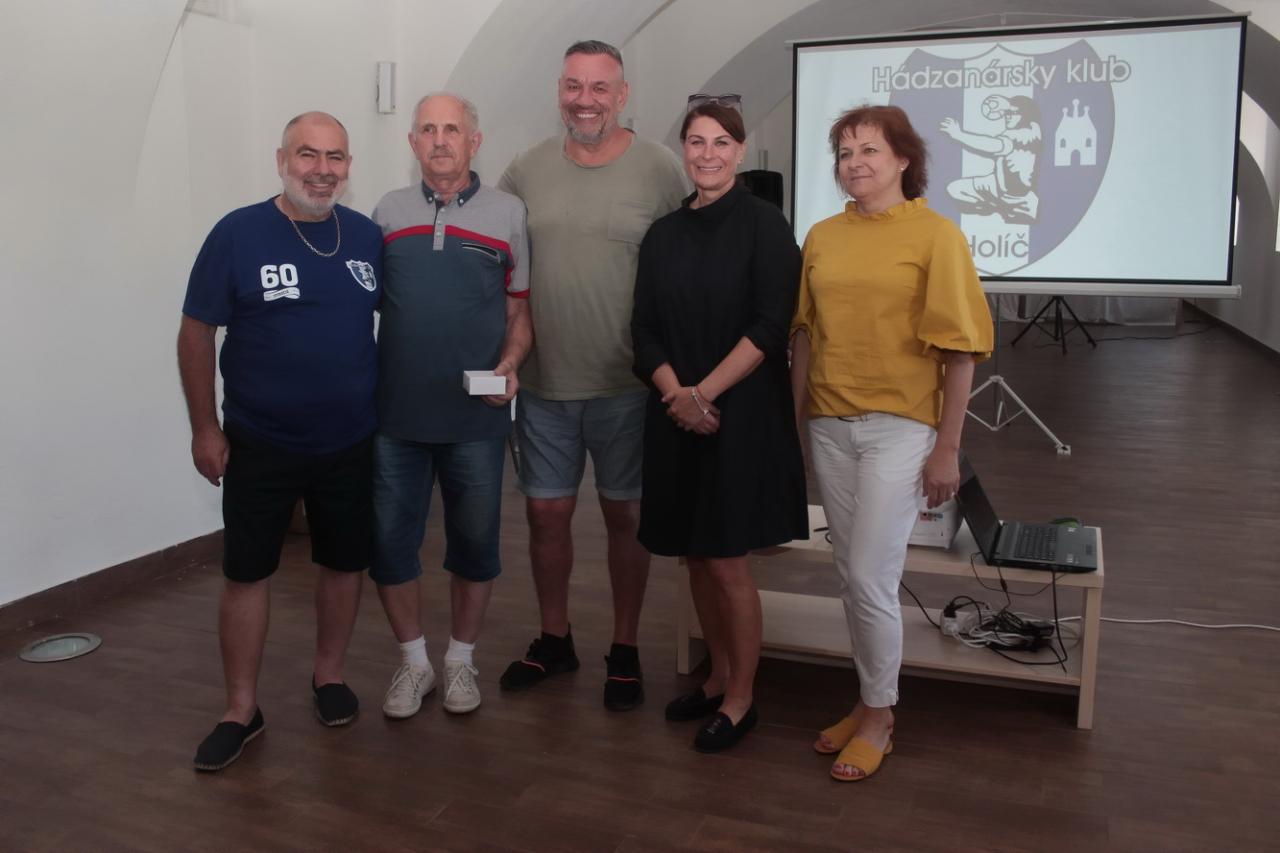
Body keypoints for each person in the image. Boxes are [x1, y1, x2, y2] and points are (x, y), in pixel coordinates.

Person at [790, 104, 993, 781]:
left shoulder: (936, 236)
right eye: (845, 152)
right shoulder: (822, 236)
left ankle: (880, 716)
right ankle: (867, 699)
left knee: (871, 576)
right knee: (851, 573)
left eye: (870, 150)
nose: (855, 162)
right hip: (829, 423)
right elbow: (805, 336)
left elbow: (961, 352)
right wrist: (793, 422)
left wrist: (948, 448)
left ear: (904, 159)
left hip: (902, 427)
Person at [179, 112, 382, 771]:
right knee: (246, 572)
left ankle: (329, 674)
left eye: (335, 157)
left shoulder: (366, 236)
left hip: (349, 438)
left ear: (348, 166)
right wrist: (204, 427)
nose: (322, 169)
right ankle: (241, 709)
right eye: (308, 154)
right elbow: (196, 333)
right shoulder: (237, 233)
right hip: (260, 439)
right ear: (282, 160)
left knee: (344, 562)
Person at [496, 40, 687, 710]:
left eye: (600, 88)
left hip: (628, 385)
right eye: (574, 86)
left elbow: (687, 265)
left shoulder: (659, 169)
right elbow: (496, 262)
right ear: (559, 91)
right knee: (545, 514)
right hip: (544, 382)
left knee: (624, 517)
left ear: (622, 95)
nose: (585, 100)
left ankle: (625, 647)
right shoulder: (525, 170)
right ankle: (555, 638)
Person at [631, 102, 807, 752]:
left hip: (740, 416)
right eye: (697, 142)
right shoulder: (663, 234)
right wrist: (676, 394)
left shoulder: (764, 225)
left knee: (729, 560)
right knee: (696, 556)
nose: (708, 153)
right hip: (676, 412)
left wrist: (702, 394)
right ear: (683, 149)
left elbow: (769, 326)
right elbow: (643, 329)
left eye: (721, 142)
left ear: (740, 150)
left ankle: (741, 697)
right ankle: (717, 677)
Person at [368, 93, 531, 719]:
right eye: (429, 130)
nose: (440, 140)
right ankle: (415, 664)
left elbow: (520, 311)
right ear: (413, 142)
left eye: (452, 130)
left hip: (475, 420)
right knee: (391, 547)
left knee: (475, 546)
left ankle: (460, 660)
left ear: (474, 141)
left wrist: (511, 362)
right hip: (396, 419)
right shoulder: (386, 213)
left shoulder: (508, 213)